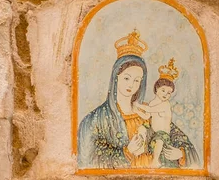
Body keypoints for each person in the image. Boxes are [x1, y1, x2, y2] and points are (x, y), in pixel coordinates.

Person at [77, 30, 199, 170]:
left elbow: (176, 137)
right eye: (127, 78)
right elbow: (88, 160)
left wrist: (181, 153)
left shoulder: (147, 111)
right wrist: (126, 153)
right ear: (116, 77)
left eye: (137, 80)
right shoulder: (95, 119)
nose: (131, 85)